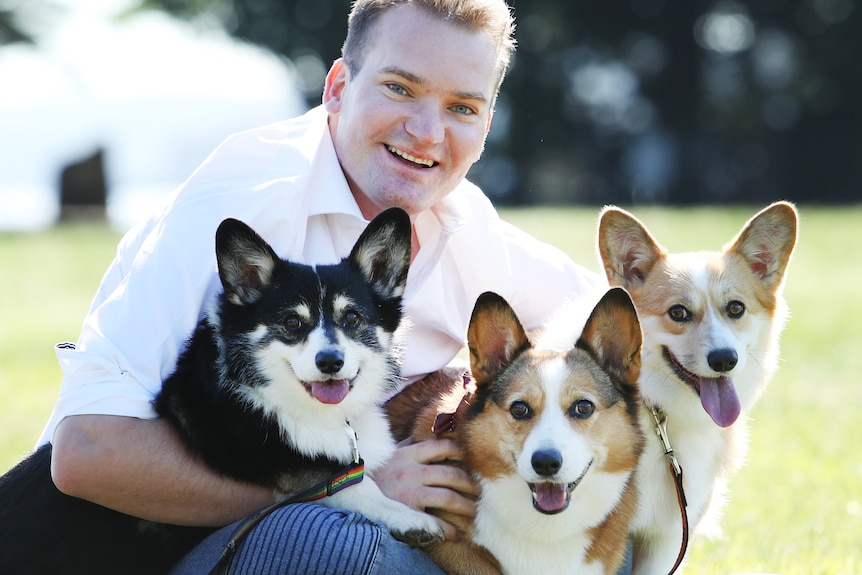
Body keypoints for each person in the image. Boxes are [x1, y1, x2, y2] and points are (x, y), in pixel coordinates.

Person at [41, 0, 630, 573]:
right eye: (399, 88)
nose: (427, 133)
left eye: (462, 108)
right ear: (338, 88)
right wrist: (355, 487)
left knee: (603, 525)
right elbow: (87, 453)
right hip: (133, 549)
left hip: (348, 517)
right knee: (329, 544)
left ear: (486, 123)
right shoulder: (242, 201)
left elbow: (643, 330)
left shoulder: (468, 227)